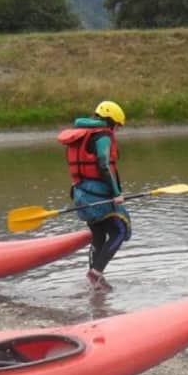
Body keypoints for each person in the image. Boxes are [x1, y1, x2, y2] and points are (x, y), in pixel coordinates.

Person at [57, 101, 129, 292]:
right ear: (110, 121)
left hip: (81, 194)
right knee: (120, 230)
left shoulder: (81, 133)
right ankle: (96, 274)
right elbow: (104, 164)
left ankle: (95, 281)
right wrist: (116, 193)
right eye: (117, 125)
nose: (117, 130)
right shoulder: (103, 135)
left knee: (98, 234)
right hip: (98, 196)